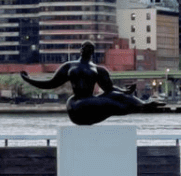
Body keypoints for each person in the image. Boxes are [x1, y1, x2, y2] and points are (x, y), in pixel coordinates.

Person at [20, 41, 168, 125]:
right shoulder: (70, 66)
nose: (87, 50)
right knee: (109, 103)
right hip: (77, 105)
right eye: (85, 47)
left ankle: (144, 104)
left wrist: (124, 91)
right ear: (80, 50)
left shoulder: (99, 70)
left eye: (89, 48)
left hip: (91, 103)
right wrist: (28, 80)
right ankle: (138, 106)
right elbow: (50, 83)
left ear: (92, 52)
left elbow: (109, 89)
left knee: (117, 96)